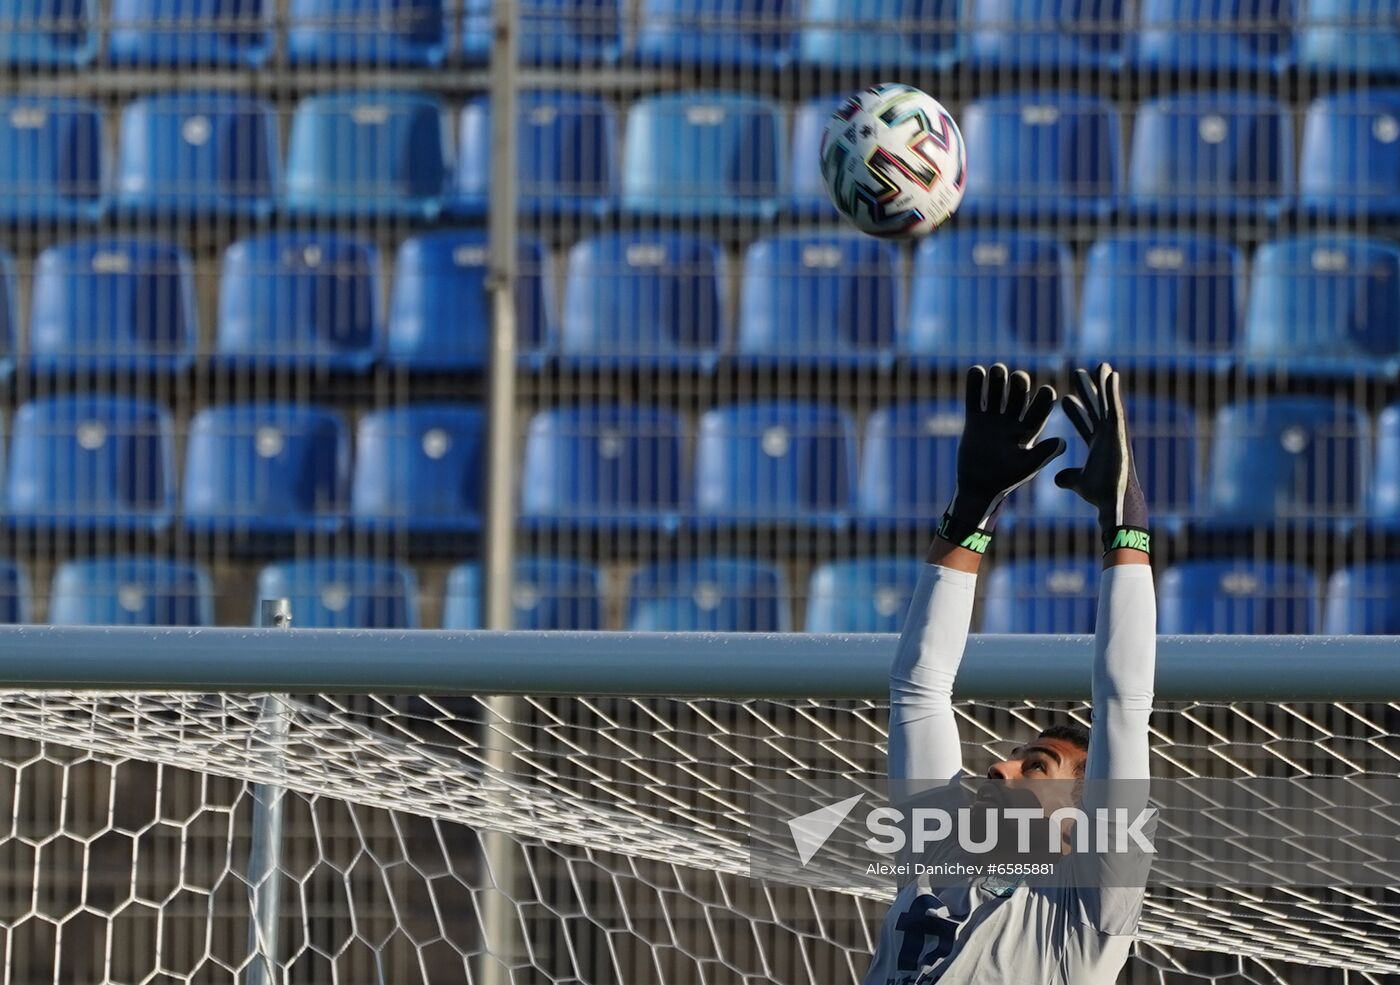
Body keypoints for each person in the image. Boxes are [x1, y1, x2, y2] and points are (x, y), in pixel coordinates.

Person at [864, 362, 1157, 984]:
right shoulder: (938, 854)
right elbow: (920, 687)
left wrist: (1124, 525)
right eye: (1017, 755)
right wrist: (973, 507)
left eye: (1037, 767)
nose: (998, 765)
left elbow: (1124, 703)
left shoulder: (1085, 914)